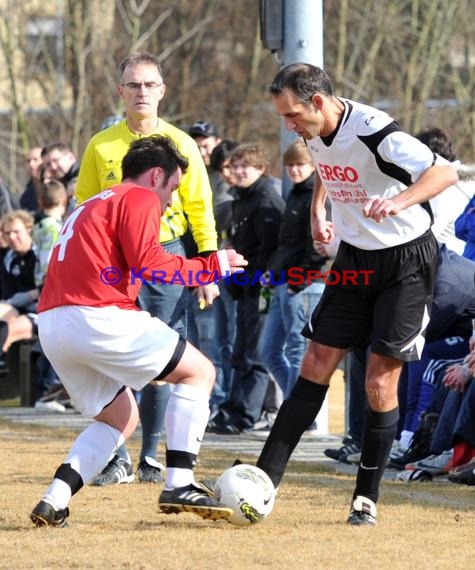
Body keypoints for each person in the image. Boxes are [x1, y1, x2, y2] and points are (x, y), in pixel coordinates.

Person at [254, 63, 458, 526]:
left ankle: (366, 498)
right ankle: (262, 482)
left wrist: (398, 201)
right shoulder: (314, 129)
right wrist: (319, 208)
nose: (288, 125)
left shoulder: (376, 130)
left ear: (318, 102)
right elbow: (331, 161)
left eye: (292, 115)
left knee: (378, 382)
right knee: (316, 363)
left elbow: (444, 172)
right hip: (353, 260)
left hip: (405, 262)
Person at [29, 135, 247, 527]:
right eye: (173, 188)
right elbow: (150, 263)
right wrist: (211, 267)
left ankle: (54, 499)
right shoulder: (140, 197)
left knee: (119, 418)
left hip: (53, 322)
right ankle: (180, 481)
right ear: (156, 175)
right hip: (95, 314)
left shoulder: (91, 202)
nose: (169, 200)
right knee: (200, 372)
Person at [75, 52, 219, 486]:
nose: (141, 92)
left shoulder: (182, 145)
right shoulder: (101, 145)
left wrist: (209, 268)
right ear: (121, 91)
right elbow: (82, 206)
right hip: (112, 263)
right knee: (110, 357)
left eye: (149, 84)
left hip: (167, 256)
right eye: (133, 85)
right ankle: (116, 457)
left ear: (162, 91)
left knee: (165, 359)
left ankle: (152, 455)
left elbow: (200, 208)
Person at [207, 142, 285, 434]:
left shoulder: (267, 201)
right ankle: (233, 406)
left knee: (254, 353)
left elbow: (274, 247)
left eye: (244, 167)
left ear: (261, 169)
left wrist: (261, 277)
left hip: (261, 287)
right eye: (235, 166)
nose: (237, 172)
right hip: (242, 286)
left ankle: (246, 414)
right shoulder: (242, 198)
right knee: (239, 350)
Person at [259, 140, 327, 401]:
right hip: (283, 283)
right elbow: (286, 244)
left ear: (313, 166)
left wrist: (296, 282)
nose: (294, 170)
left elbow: (318, 247)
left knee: (297, 349)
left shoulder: (317, 195)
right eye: (290, 165)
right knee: (269, 351)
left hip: (304, 285)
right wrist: (273, 273)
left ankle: (295, 411)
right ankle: (295, 405)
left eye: (300, 164)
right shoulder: (295, 193)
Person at [0, 210, 39, 371]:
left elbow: (44, 290)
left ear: (29, 228)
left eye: (17, 232)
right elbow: (8, 294)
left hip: (40, 312)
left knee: (7, 329)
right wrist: (29, 295)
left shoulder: (40, 254)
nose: (12, 237)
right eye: (8, 233)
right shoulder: (9, 258)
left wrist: (34, 295)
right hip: (17, 307)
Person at [19, 147, 43, 216]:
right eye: (28, 161)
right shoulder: (26, 194)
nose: (31, 164)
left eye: (36, 160)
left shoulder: (55, 187)